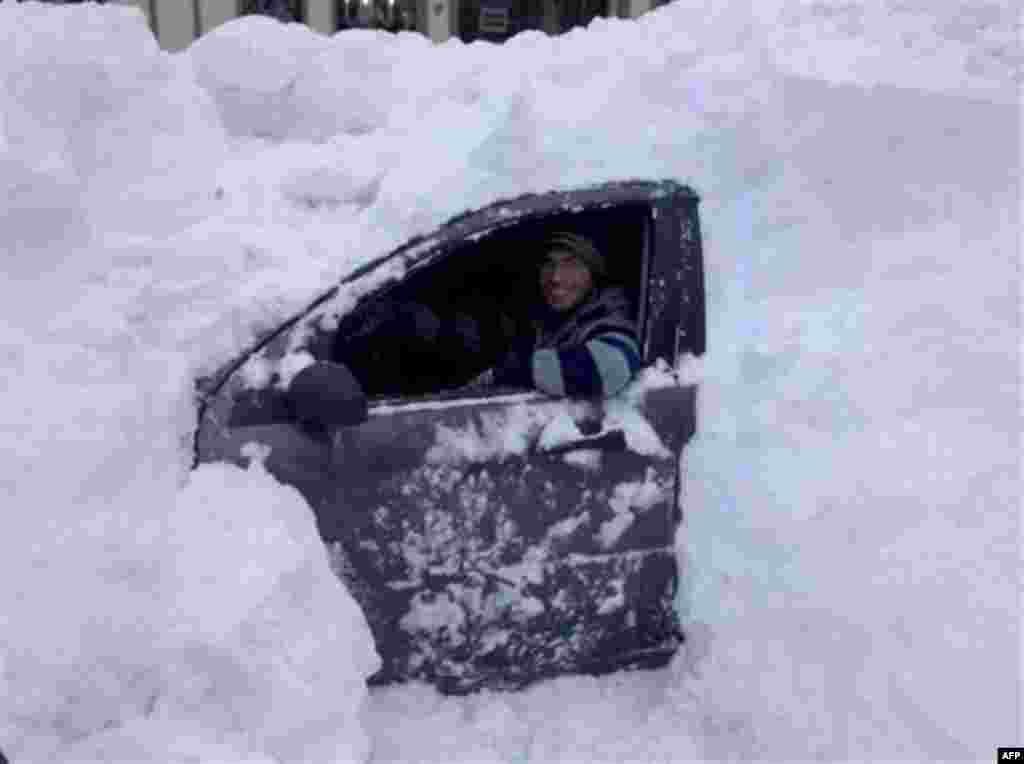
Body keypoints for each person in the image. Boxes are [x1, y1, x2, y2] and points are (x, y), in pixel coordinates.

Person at [468, 231, 642, 398]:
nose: (556, 278)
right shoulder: (543, 321)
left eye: (571, 264)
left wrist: (507, 373)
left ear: (593, 273)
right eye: (549, 264)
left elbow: (608, 368)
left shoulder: (609, 315)